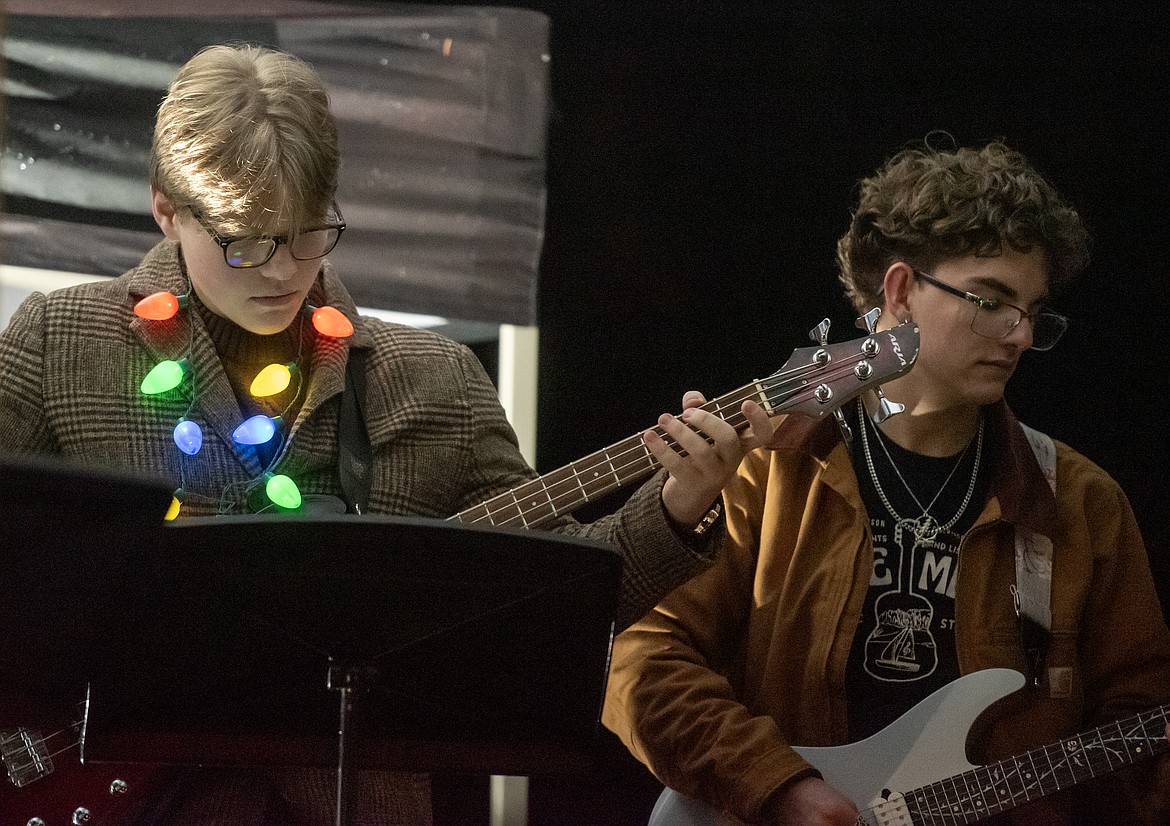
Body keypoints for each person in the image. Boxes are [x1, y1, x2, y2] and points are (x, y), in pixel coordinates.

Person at [0, 44, 779, 824]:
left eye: (308, 233)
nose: (281, 270)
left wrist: (680, 508)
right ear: (167, 210)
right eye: (245, 241)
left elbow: (565, 600)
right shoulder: (58, 340)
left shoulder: (432, 378)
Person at [604, 137, 1170, 825]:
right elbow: (645, 659)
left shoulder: (1081, 506)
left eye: (1033, 311)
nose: (1020, 335)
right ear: (901, 292)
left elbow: (1139, 724)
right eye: (992, 301)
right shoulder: (766, 467)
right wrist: (780, 787)